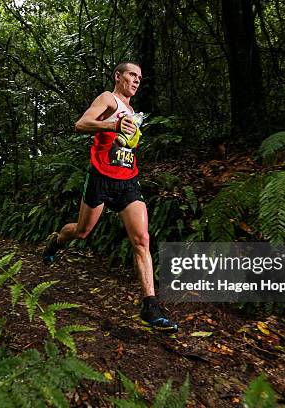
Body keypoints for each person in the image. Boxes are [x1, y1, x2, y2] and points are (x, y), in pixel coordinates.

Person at [41, 61, 178, 332]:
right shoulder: (109, 99)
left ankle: (150, 307)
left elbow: (125, 145)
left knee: (142, 240)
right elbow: (81, 124)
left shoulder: (134, 113)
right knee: (82, 231)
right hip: (100, 178)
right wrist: (113, 126)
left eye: (140, 77)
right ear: (118, 76)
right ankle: (56, 241)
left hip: (128, 181)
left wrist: (124, 134)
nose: (137, 80)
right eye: (131, 74)